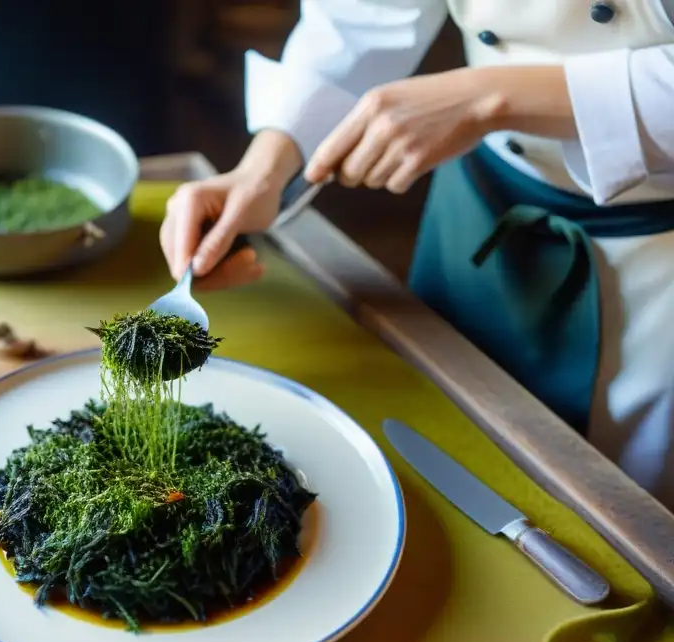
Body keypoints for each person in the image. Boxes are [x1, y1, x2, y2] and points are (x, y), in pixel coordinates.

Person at [159, 0, 674, 510]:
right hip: (479, 204)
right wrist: (264, 168)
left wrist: (486, 99)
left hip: (654, 259)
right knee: (441, 446)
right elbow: (367, 13)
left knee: (622, 509)